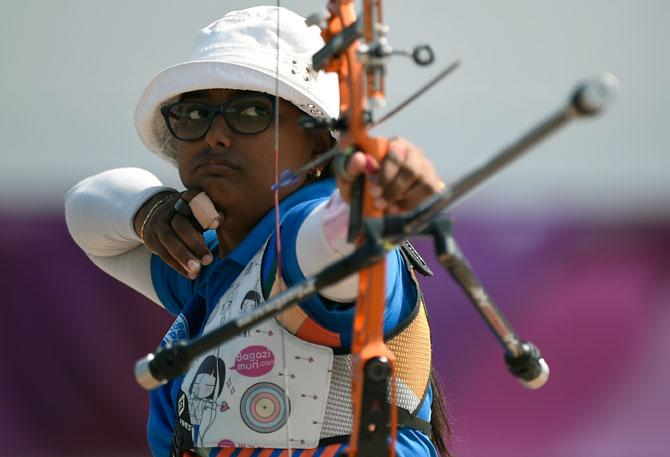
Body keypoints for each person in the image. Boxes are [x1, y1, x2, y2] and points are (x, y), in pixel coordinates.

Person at [65, 6, 450, 457]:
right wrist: (148, 210)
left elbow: (333, 247)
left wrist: (368, 205)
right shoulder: (210, 262)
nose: (215, 136)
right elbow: (87, 212)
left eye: (250, 112)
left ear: (320, 142)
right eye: (193, 115)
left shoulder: (301, 234)